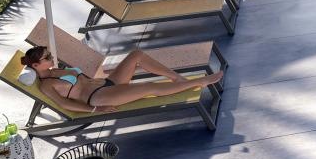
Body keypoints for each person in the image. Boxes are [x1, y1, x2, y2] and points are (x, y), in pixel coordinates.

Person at [21, 46, 222, 114]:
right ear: (36, 66)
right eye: (46, 57)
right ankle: (199, 82)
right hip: (99, 97)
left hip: (106, 84)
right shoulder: (47, 85)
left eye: (49, 54)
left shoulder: (56, 70)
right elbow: (64, 103)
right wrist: (94, 109)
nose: (51, 58)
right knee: (147, 87)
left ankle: (176, 78)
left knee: (136, 55)